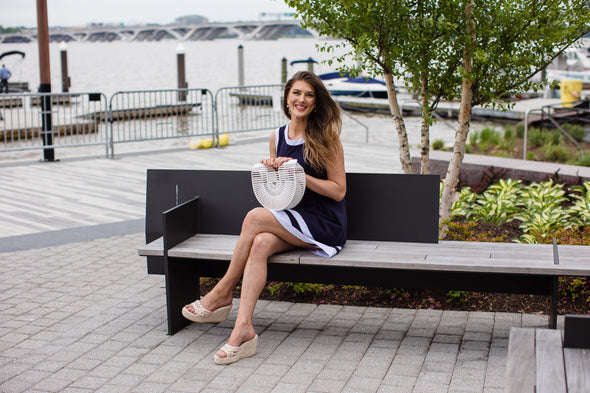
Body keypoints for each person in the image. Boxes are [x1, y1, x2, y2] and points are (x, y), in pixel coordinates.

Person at [181, 71, 347, 365]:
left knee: (255, 217)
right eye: (297, 93)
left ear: (316, 103)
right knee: (259, 244)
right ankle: (243, 331)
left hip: (323, 223)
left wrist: (300, 174)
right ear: (286, 97)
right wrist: (273, 169)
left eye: (309, 95)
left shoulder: (327, 138)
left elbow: (337, 191)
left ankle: (221, 291)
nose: (302, 100)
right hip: (291, 217)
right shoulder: (277, 136)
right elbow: (278, 194)